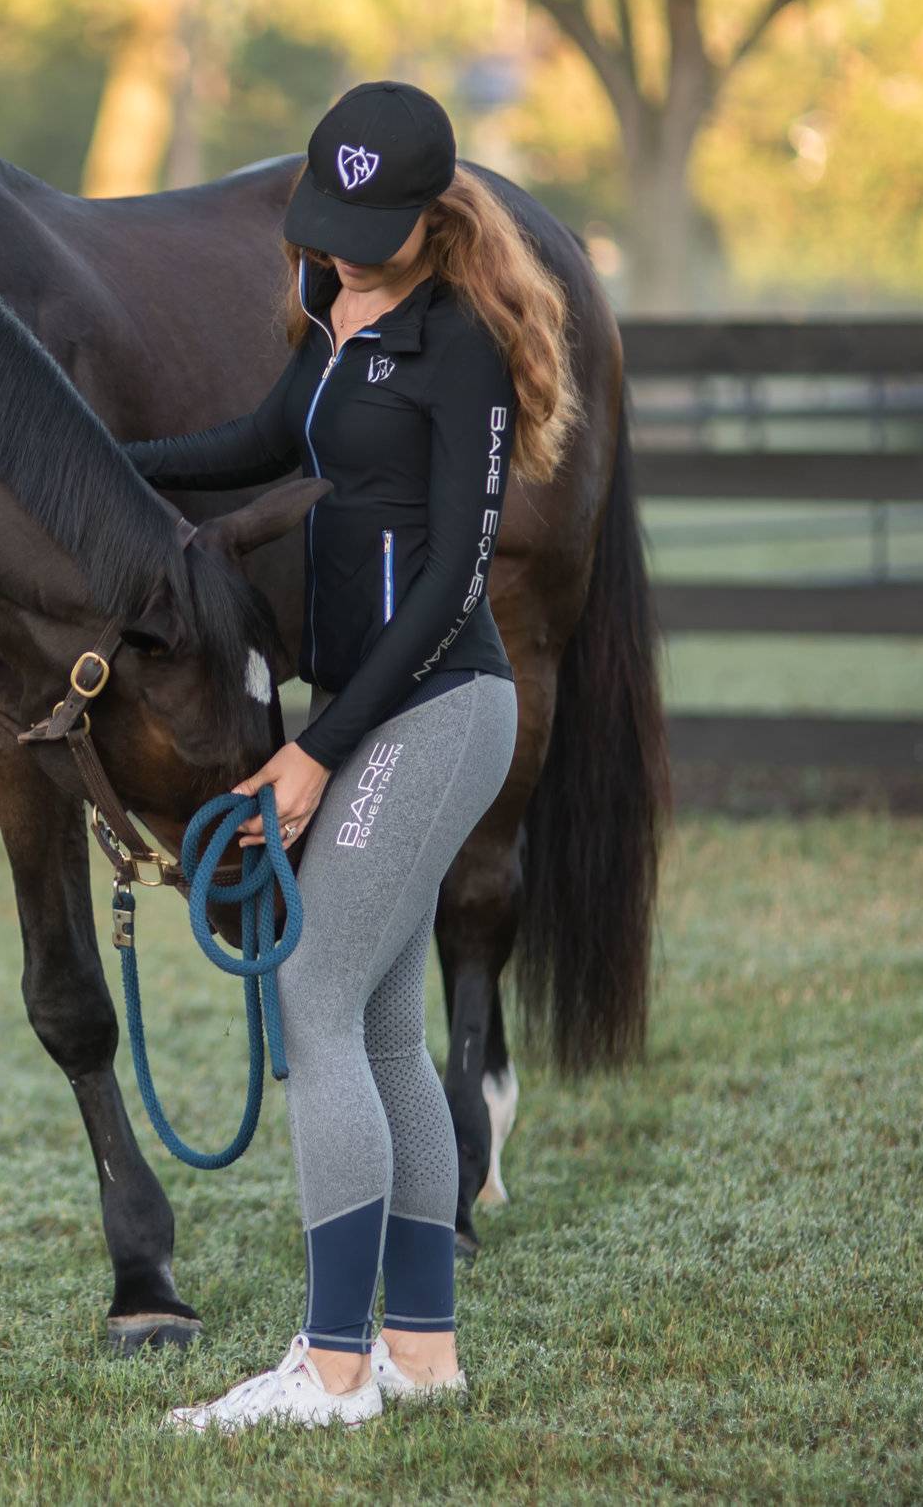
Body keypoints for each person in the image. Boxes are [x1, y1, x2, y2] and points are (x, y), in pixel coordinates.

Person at [123, 81, 580, 1432]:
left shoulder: (464, 351)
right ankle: (420, 1354)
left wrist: (318, 749)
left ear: (429, 215)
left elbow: (452, 582)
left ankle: (329, 1372)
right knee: (382, 1029)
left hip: (439, 705)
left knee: (314, 999)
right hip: (373, 710)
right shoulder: (330, 319)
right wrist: (95, 464)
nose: (335, 242)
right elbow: (249, 445)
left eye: (363, 224)